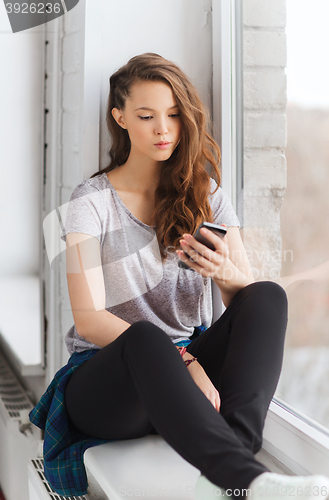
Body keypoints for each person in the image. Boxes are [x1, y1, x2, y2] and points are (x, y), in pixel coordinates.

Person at [29, 53, 329, 499]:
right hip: (110, 382)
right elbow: (90, 319)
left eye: (173, 115)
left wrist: (223, 271)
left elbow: (244, 302)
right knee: (146, 337)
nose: (163, 129)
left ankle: (233, 463)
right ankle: (243, 477)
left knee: (268, 295)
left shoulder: (205, 193)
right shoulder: (91, 201)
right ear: (120, 118)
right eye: (147, 116)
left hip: (186, 379)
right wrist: (185, 363)